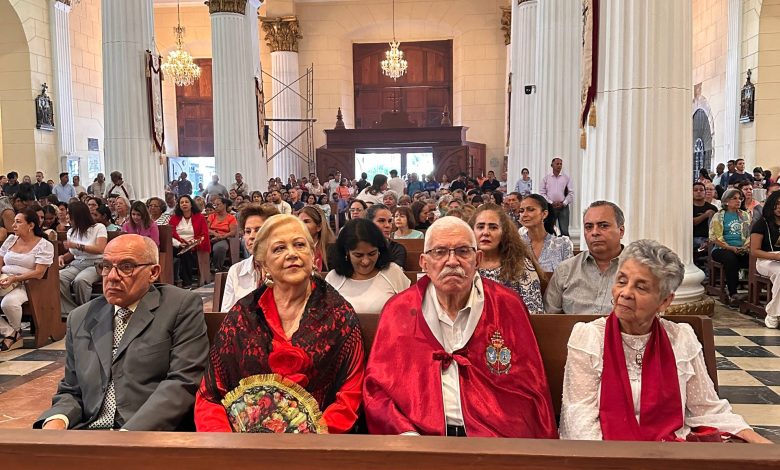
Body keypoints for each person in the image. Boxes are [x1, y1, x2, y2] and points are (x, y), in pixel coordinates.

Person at [363, 216, 557, 437]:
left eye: (463, 251)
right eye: (440, 252)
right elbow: (377, 389)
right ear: (424, 262)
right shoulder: (398, 310)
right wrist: (406, 435)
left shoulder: (506, 304)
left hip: (495, 437)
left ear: (478, 259)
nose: (452, 261)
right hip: (418, 438)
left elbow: (530, 384)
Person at [559, 240, 769, 443]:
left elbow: (707, 408)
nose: (625, 293)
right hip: (604, 455)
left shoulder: (681, 338)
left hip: (668, 453)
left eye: (641, 287)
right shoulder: (589, 337)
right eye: (621, 281)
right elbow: (579, 418)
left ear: (665, 301)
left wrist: (759, 443)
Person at [195, 215, 365, 433]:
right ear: (263, 263)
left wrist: (313, 442)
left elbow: (350, 395)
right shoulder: (243, 315)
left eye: (299, 245)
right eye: (279, 249)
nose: (292, 254)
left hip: (319, 448)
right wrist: (227, 448)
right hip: (243, 451)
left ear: (313, 255)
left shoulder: (338, 314)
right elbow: (210, 395)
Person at [36, 234, 209, 430]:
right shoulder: (80, 317)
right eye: (106, 266)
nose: (112, 276)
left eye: (126, 267)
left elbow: (183, 381)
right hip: (90, 433)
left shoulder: (179, 306)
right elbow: (72, 389)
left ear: (153, 272)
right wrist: (57, 421)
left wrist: (127, 436)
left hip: (150, 435)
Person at [545, 201, 625, 315]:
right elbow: (548, 318)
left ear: (621, 231)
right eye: (589, 227)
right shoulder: (566, 270)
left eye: (603, 226)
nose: (595, 232)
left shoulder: (640, 270)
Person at [470, 203, 544, 314]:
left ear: (504, 232)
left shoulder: (521, 266)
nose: (485, 232)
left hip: (511, 328)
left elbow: (534, 312)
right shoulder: (464, 265)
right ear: (471, 231)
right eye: (480, 227)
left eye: (493, 227)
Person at [326, 218, 410, 314]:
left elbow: (410, 310)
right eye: (358, 255)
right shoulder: (333, 278)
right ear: (346, 252)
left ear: (379, 250)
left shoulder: (392, 272)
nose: (365, 261)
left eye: (372, 254)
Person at [0, 209, 54, 350]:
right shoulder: (11, 239)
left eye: (18, 222)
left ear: (30, 225)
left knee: (9, 303)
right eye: (14, 222)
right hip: (6, 279)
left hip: (29, 285)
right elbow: (0, 261)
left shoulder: (44, 245)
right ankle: (12, 333)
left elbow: (39, 273)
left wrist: (15, 278)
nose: (13, 226)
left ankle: (14, 333)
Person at [221, 204, 280, 311]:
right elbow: (226, 315)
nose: (252, 236)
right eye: (248, 231)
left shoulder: (286, 267)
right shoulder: (236, 271)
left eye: (258, 230)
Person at [59, 201, 108, 317]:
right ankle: (70, 310)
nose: (67, 217)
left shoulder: (98, 228)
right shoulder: (71, 231)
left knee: (81, 280)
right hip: (77, 263)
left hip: (96, 263)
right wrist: (62, 257)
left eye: (69, 214)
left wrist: (77, 245)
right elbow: (72, 254)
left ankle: (85, 312)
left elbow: (100, 249)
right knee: (58, 277)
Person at [710, 188, 751, 308]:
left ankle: (755, 294)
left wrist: (745, 246)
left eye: (740, 198)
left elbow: (750, 234)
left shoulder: (745, 215)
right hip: (721, 248)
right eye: (735, 198)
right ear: (727, 201)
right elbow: (715, 237)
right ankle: (733, 292)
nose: (738, 201)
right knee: (731, 258)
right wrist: (730, 247)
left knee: (754, 258)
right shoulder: (719, 216)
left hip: (742, 248)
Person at [519, 194, 573, 272]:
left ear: (544, 214)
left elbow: (570, 277)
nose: (524, 215)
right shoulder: (516, 245)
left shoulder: (562, 244)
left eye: (530, 209)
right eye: (521, 211)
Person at [751, 191, 780, 328]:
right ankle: (773, 313)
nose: (779, 207)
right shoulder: (761, 224)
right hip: (765, 260)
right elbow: (754, 251)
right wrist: (775, 256)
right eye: (777, 204)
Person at [170, 195, 210, 289]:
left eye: (186, 202)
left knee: (186, 252)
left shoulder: (200, 217)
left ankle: (187, 282)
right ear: (179, 205)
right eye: (182, 202)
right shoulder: (174, 218)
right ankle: (174, 280)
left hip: (194, 245)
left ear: (191, 204)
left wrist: (192, 243)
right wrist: (179, 244)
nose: (184, 204)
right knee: (179, 251)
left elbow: (204, 234)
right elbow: (170, 235)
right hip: (177, 244)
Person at [539, 157, 574, 237]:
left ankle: (566, 248)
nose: (559, 166)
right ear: (552, 165)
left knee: (564, 230)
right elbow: (542, 193)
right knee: (550, 229)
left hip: (563, 207)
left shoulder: (566, 178)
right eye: (557, 164)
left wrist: (564, 203)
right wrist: (551, 202)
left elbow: (571, 192)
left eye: (560, 164)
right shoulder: (546, 178)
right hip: (550, 207)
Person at [366, 204, 406, 268]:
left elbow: (394, 272)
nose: (388, 225)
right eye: (381, 221)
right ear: (369, 223)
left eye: (390, 221)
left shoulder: (397, 248)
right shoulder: (359, 247)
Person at [297, 206, 333, 272]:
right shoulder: (294, 250)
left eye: (306, 221)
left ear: (319, 226)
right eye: (299, 222)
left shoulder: (331, 250)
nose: (301, 225)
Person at [207, 197, 238, 272]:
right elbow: (206, 229)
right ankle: (203, 269)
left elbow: (233, 232)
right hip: (210, 237)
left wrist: (221, 237)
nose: (215, 207)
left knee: (220, 247)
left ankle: (217, 267)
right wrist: (215, 234)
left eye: (218, 204)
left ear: (224, 205)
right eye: (214, 205)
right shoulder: (212, 216)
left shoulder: (231, 218)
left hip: (224, 238)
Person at [693, 182, 718, 255]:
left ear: (705, 192)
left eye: (701, 190)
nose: (698, 192)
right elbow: (693, 222)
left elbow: (717, 226)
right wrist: (705, 215)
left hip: (709, 238)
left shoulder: (712, 207)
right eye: (695, 190)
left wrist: (708, 240)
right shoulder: (689, 207)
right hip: (693, 237)